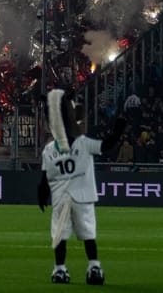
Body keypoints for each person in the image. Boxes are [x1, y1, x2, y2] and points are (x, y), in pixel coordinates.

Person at [37, 89, 126, 285]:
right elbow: (106, 146)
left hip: (60, 198)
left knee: (60, 235)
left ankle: (60, 269)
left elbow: (44, 178)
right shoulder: (83, 144)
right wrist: (118, 132)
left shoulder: (49, 150)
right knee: (88, 234)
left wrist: (42, 192)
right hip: (82, 195)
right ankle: (94, 267)